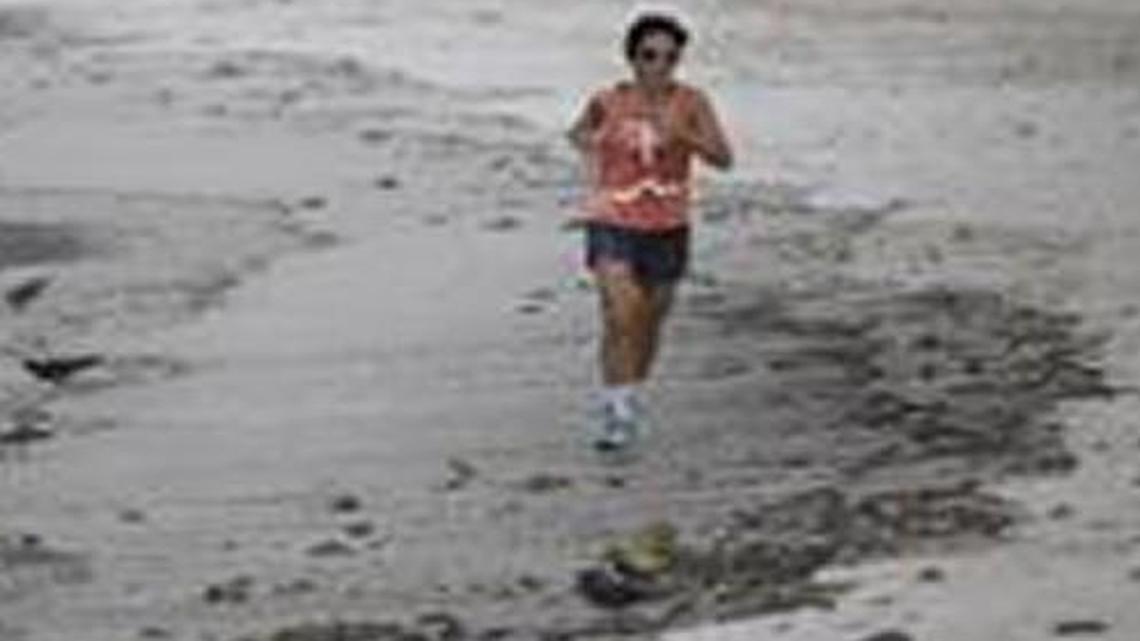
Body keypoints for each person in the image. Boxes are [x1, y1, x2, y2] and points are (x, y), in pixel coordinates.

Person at [567, 12, 734, 451]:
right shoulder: (607, 99)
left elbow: (723, 158)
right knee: (623, 313)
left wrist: (684, 136)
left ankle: (627, 388)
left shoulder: (692, 102)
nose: (659, 66)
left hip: (668, 225)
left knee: (648, 321)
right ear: (632, 58)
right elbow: (579, 134)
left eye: (670, 57)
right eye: (649, 56)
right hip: (613, 220)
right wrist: (594, 143)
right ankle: (617, 412)